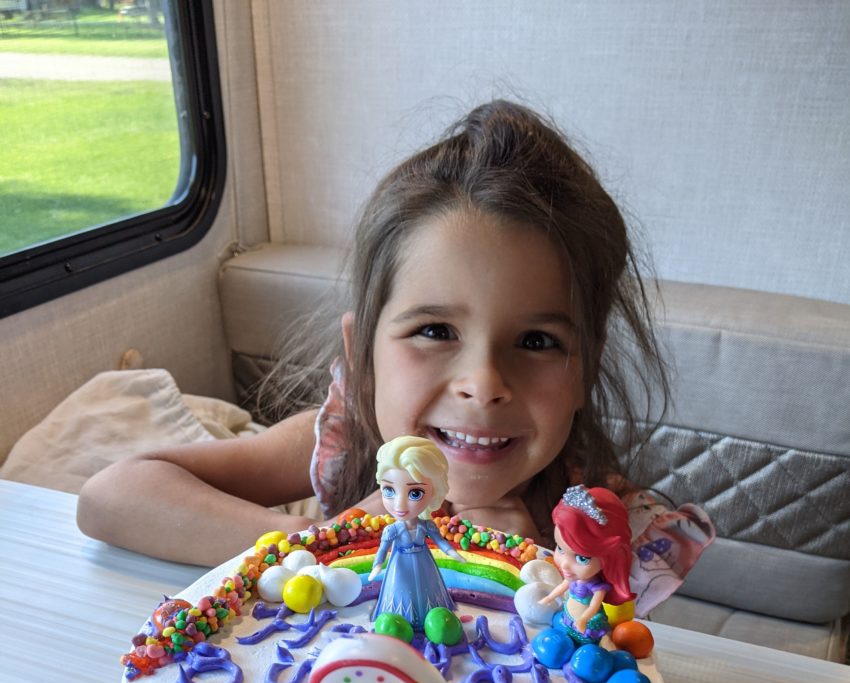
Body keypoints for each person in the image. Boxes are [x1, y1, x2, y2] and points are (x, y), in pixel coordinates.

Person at [78, 99, 710, 593]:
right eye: (435, 331)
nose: (483, 384)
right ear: (362, 357)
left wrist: (534, 574)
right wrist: (325, 541)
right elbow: (112, 495)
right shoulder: (344, 443)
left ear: (585, 370)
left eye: (537, 340)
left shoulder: (610, 530)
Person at [368, 435, 464, 629]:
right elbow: (383, 550)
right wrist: (377, 566)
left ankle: (432, 619)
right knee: (400, 592)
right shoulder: (392, 530)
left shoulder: (427, 526)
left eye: (415, 493)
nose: (399, 504)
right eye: (389, 490)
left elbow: (441, 542)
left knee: (429, 590)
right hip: (399, 567)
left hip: (424, 565)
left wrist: (452, 553)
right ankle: (399, 622)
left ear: (433, 492)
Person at [541, 485, 634, 645]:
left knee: (587, 652)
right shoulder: (573, 578)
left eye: (582, 558)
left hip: (586, 627)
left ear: (608, 559)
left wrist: (583, 619)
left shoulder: (597, 587)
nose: (565, 564)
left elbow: (593, 607)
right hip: (568, 617)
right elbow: (562, 587)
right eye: (560, 549)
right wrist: (548, 598)